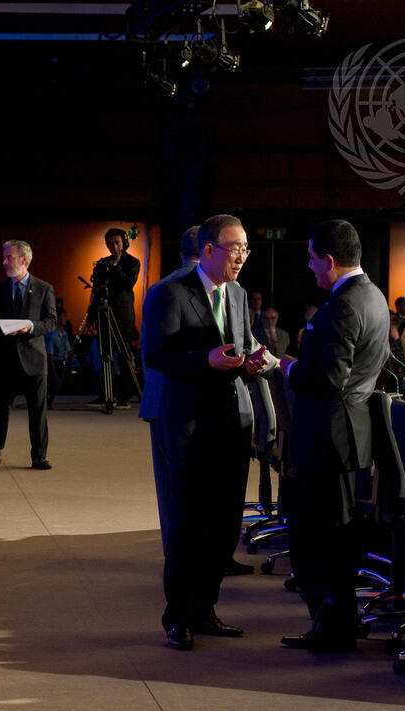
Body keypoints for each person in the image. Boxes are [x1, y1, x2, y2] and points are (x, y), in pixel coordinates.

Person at [263, 219, 389, 652]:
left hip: (329, 435)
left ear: (330, 260)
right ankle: (341, 622)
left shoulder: (343, 305)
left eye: (312, 259)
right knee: (337, 534)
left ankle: (333, 627)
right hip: (350, 432)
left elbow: (329, 379)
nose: (310, 267)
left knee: (319, 536)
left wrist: (287, 366)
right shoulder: (374, 296)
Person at [141, 214, 264, 651]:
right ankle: (178, 616)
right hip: (189, 425)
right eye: (235, 249)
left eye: (245, 249)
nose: (241, 257)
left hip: (231, 422)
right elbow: (157, 355)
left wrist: (249, 363)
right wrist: (204, 361)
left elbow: (240, 347)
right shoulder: (170, 292)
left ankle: (205, 608)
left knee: (224, 523)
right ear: (209, 250)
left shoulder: (238, 293)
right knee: (188, 524)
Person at [0, 240, 57, 469]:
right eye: (4, 257)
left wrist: (31, 327)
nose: (4, 262)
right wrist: (2, 327)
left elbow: (51, 321)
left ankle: (39, 456)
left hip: (34, 360)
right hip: (4, 359)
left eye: (9, 257)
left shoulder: (44, 288)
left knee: (38, 411)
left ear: (24, 260)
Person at [88, 227, 142, 406]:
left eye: (117, 243)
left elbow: (128, 283)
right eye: (110, 244)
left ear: (124, 243)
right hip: (103, 313)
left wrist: (115, 266)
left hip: (122, 315)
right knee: (105, 355)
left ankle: (124, 396)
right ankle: (106, 394)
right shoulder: (103, 263)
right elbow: (96, 288)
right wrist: (92, 313)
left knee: (124, 355)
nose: (114, 247)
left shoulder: (132, 262)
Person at [45, 308, 71, 408]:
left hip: (63, 362)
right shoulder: (52, 335)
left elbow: (68, 349)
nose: (65, 319)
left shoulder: (65, 334)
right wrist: (54, 371)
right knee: (54, 384)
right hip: (56, 363)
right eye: (63, 316)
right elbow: (50, 355)